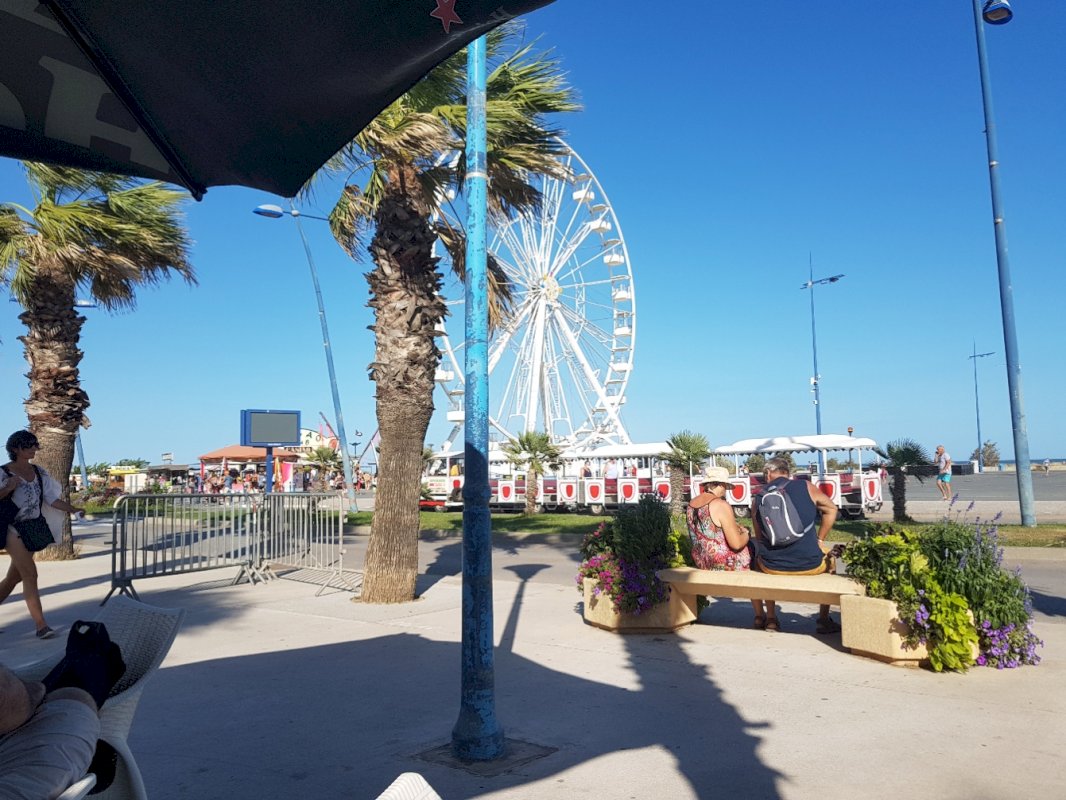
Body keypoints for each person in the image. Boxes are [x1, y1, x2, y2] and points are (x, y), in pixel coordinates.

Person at [1, 431, 83, 639]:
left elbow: (51, 499)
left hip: (32, 528)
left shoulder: (38, 472)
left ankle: (40, 624)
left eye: (34, 445)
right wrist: (8, 488)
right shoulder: (3, 472)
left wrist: (73, 509)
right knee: (30, 574)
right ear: (15, 449)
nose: (33, 449)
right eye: (28, 445)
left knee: (13, 578)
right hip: (12, 528)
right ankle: (41, 626)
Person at [750, 457, 840, 634]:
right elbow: (831, 509)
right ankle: (823, 619)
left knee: (759, 561)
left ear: (768, 473)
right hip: (810, 565)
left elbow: (760, 537)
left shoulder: (759, 497)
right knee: (831, 560)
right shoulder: (806, 486)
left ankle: (771, 619)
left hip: (771, 567)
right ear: (787, 473)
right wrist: (820, 539)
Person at [687, 467, 766, 628]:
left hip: (702, 560)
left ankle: (761, 614)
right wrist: (747, 533)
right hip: (723, 562)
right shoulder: (720, 505)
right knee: (755, 550)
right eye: (725, 486)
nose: (725, 491)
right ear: (720, 484)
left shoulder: (691, 504)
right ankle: (760, 615)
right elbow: (736, 544)